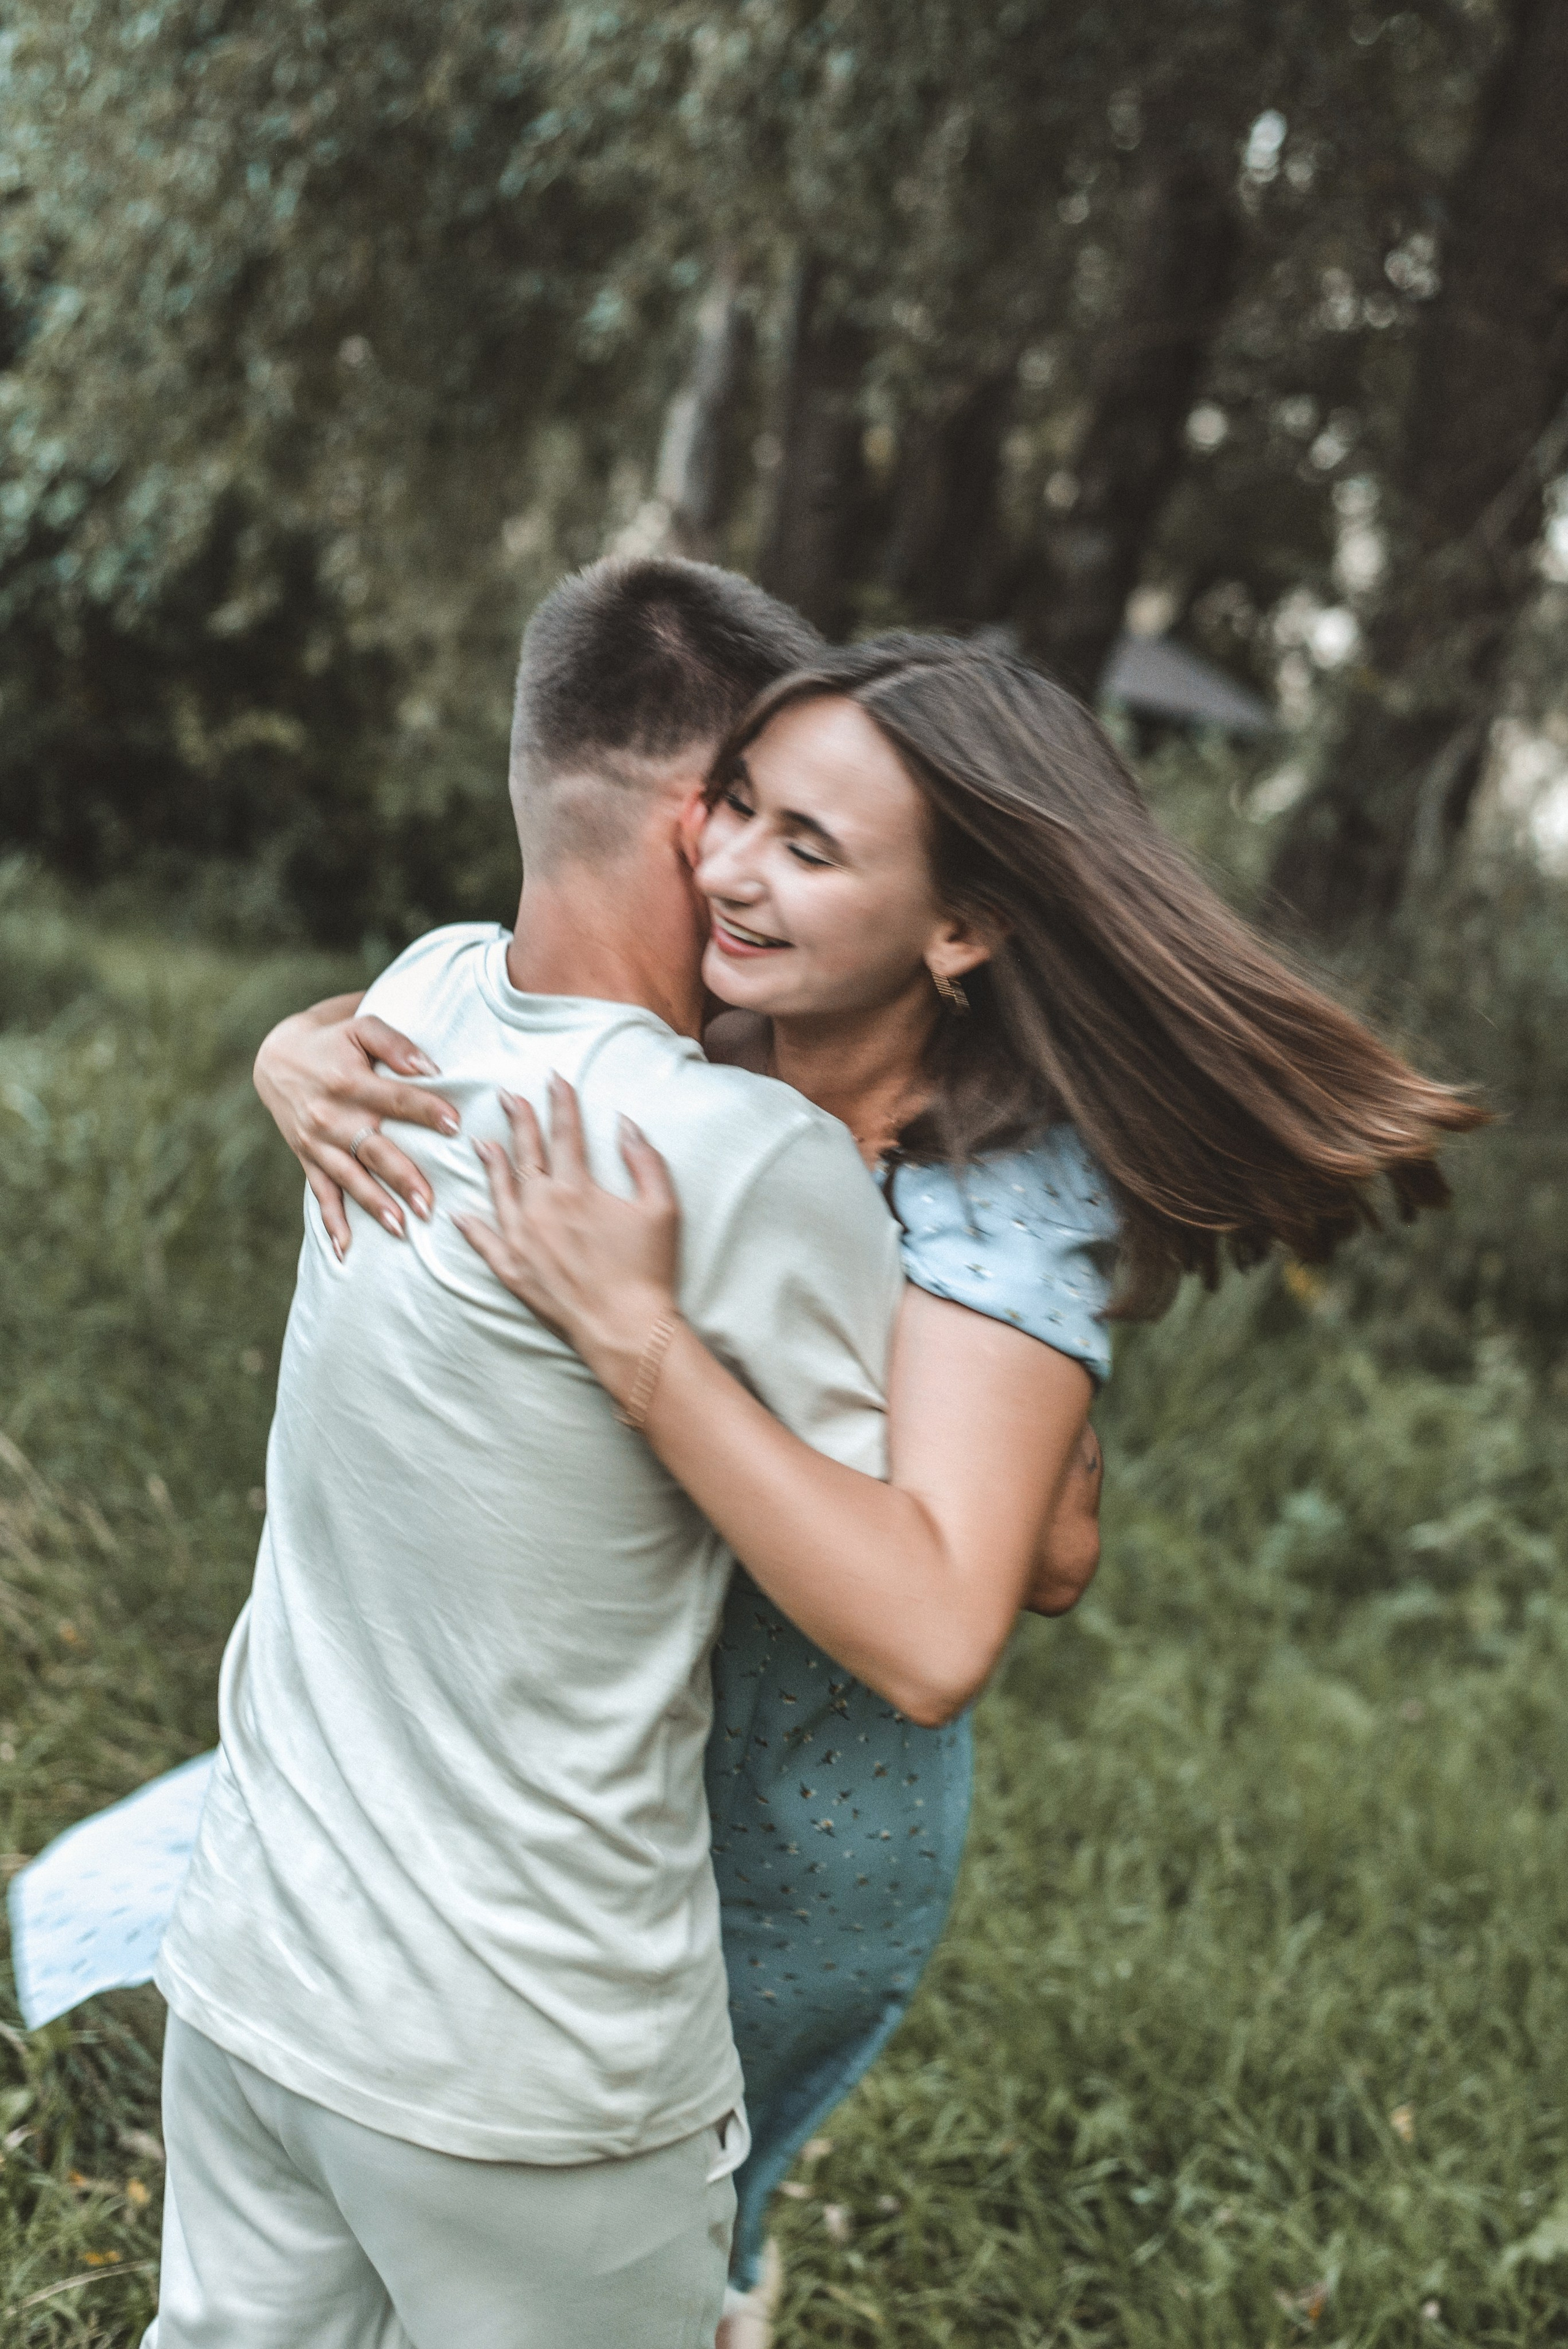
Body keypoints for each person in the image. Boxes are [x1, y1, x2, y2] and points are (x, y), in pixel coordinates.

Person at [259, 625, 1483, 2343]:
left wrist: (652, 1344)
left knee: (615, 2232)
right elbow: (501, 998)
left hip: (783, 1816)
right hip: (568, 1741)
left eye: (807, 845)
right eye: (739, 805)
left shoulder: (994, 1196)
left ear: (960, 926)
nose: (731, 869)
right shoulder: (726, 1021)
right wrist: (296, 1050)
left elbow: (993, 1595)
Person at [146, 557, 928, 2349]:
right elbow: (940, 1577)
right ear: (700, 820)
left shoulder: (407, 1007)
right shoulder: (738, 1155)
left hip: (254, 1982)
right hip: (527, 2072)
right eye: (784, 822)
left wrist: (285, 1045)